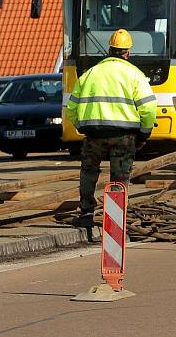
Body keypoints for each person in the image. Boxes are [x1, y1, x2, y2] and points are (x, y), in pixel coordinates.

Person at [66, 29, 157, 228]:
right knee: (120, 177)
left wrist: (81, 126)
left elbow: (71, 108)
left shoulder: (89, 74)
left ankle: (86, 214)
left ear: (109, 50)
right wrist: (144, 133)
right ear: (128, 52)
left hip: (94, 134)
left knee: (88, 172)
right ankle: (116, 219)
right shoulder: (134, 74)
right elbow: (149, 108)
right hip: (124, 135)